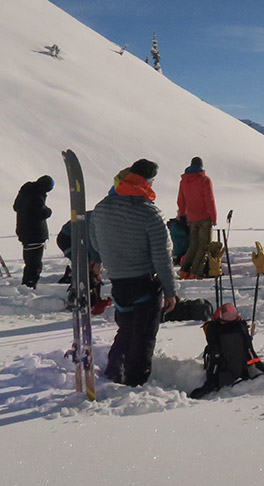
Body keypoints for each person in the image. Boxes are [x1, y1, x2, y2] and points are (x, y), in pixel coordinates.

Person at [89, 159, 178, 387]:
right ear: (149, 181)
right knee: (144, 337)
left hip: (118, 281)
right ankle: (135, 384)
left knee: (126, 330)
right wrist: (171, 291)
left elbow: (95, 244)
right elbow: (162, 256)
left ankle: (113, 372)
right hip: (145, 282)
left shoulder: (101, 208)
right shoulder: (149, 213)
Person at [57, 211, 110, 315]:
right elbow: (92, 243)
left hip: (81, 237)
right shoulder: (98, 221)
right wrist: (97, 261)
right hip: (68, 238)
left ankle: (92, 297)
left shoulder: (106, 219)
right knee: (87, 265)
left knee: (92, 265)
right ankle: (80, 298)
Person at [177, 157, 217, 280]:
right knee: (204, 246)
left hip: (191, 218)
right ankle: (196, 272)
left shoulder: (184, 181)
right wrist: (213, 216)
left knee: (193, 244)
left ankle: (184, 270)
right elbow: (209, 199)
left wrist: (182, 214)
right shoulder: (204, 180)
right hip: (204, 217)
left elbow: (181, 200)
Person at [13, 175, 54, 288]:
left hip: (23, 230)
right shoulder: (37, 196)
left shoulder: (25, 191)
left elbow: (16, 207)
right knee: (34, 262)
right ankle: (30, 284)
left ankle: (28, 282)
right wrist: (48, 211)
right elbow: (40, 213)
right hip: (35, 233)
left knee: (29, 259)